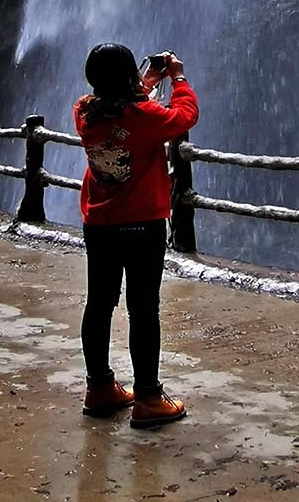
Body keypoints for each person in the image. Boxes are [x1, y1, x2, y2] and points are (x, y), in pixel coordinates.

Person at [73, 42, 199, 428]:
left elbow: (122, 110)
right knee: (143, 309)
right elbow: (184, 116)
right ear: (128, 75)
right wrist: (176, 78)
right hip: (142, 225)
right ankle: (147, 397)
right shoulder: (145, 117)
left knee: (99, 304)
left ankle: (99, 388)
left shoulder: (85, 112)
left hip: (100, 224)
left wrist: (147, 81)